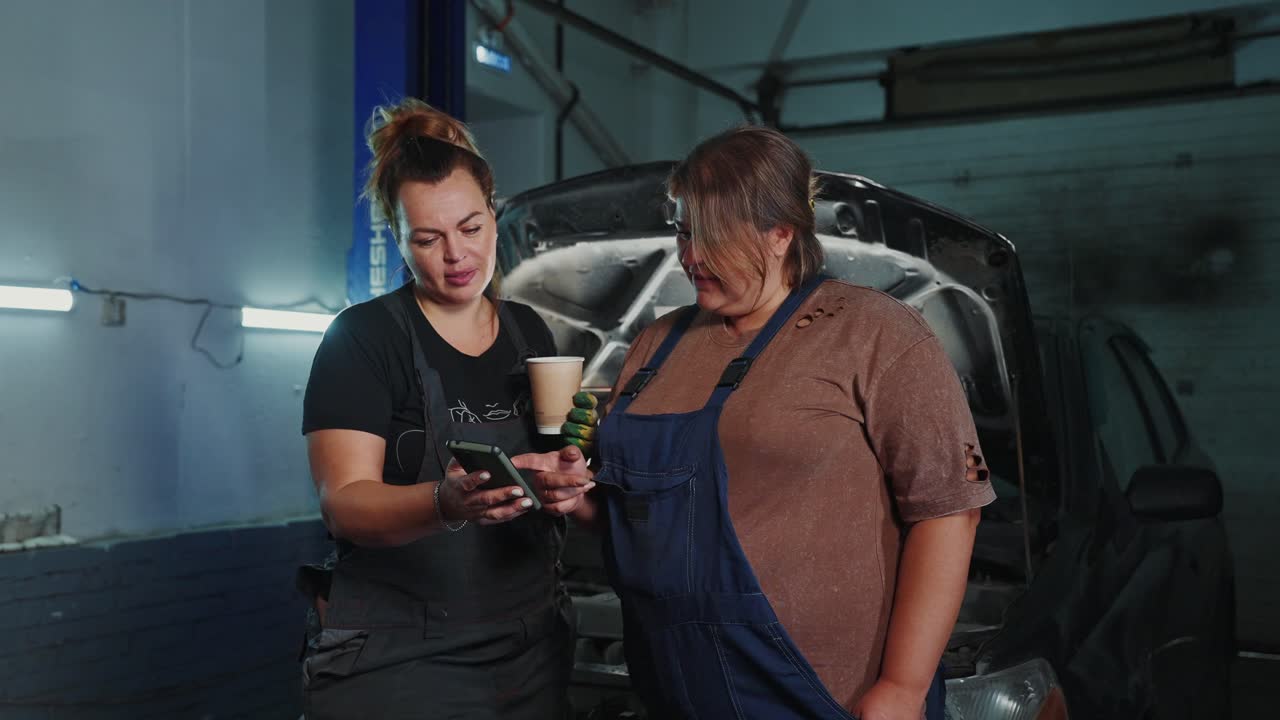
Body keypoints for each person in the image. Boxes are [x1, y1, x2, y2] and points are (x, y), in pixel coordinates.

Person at [518, 126, 995, 720]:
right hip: (673, 690)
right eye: (685, 232)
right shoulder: (655, 345)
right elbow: (638, 515)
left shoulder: (875, 332)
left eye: (712, 237)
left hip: (828, 698)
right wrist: (571, 494)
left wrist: (901, 686)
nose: (690, 256)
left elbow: (950, 510)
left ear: (781, 234)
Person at [298, 98, 574, 719]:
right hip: (401, 660)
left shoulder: (529, 331)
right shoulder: (363, 340)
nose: (456, 255)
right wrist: (442, 503)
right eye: (428, 238)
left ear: (494, 214)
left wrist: (566, 480)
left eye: (471, 228)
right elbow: (344, 503)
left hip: (529, 646)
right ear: (398, 238)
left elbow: (554, 454)